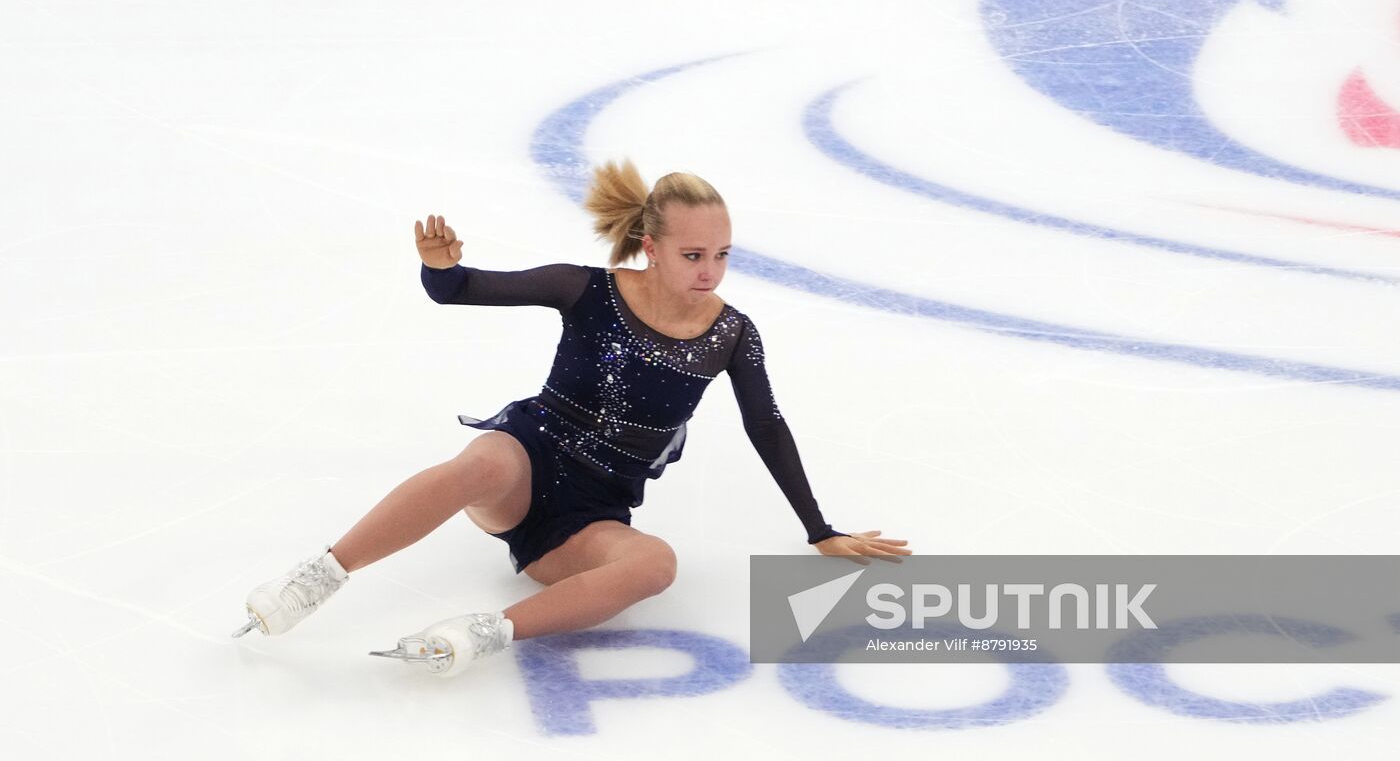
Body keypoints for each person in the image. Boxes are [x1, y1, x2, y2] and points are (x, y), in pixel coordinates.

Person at [231, 159, 912, 677]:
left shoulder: (731, 333)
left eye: (722, 255)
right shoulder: (584, 288)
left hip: (591, 512)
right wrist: (440, 268)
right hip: (526, 463)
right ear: (651, 246)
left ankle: (478, 635)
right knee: (487, 459)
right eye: (693, 255)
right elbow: (461, 290)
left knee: (656, 565)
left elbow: (766, 426)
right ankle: (316, 578)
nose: (711, 272)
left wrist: (819, 529)